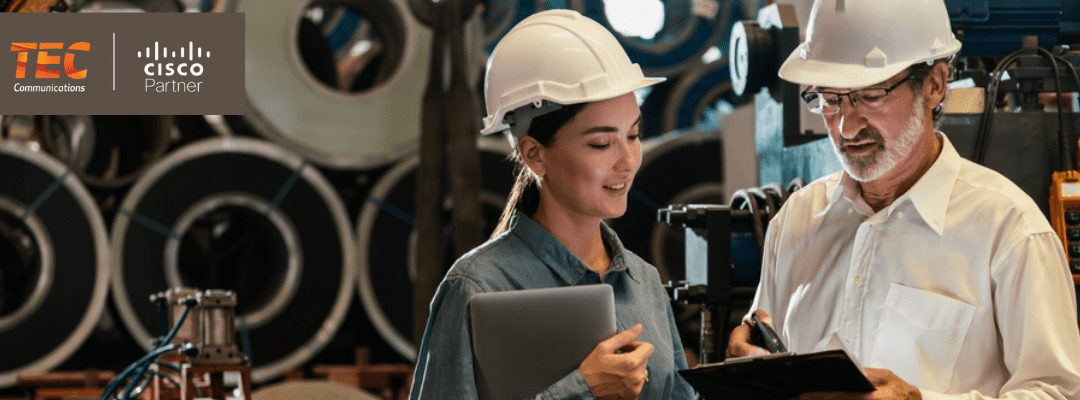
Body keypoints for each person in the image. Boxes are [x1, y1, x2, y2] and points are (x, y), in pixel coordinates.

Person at [726, 0, 1080, 399]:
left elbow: (1058, 392)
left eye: (871, 95)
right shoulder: (796, 220)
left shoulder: (1009, 231)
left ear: (934, 85)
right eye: (829, 98)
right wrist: (751, 370)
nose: (846, 125)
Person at [408, 9, 696, 400]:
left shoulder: (643, 283)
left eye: (633, 135)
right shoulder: (479, 287)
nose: (627, 161)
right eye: (600, 143)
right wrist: (584, 389)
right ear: (534, 154)